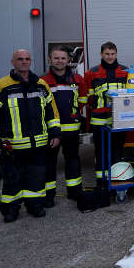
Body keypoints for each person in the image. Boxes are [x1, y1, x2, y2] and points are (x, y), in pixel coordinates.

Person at [0, 50, 61, 222]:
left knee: (37, 178)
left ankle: (35, 206)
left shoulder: (41, 84)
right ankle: (11, 210)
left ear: (30, 61)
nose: (24, 62)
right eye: (20, 59)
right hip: (12, 146)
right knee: (12, 181)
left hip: (38, 144)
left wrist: (55, 133)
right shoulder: (0, 86)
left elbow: (51, 111)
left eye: (27, 59)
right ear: (13, 62)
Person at [41, 45, 88, 206]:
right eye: (56, 58)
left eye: (63, 58)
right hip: (50, 132)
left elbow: (82, 101)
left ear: (68, 60)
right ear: (50, 59)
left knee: (73, 161)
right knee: (49, 163)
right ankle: (49, 196)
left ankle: (74, 191)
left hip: (71, 130)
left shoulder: (78, 80)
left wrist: (73, 115)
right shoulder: (42, 82)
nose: (60, 61)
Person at [84, 41, 129, 187]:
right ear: (101, 54)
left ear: (116, 54)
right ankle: (102, 182)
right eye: (107, 54)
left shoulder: (126, 71)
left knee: (117, 149)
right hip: (99, 120)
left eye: (112, 54)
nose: (110, 57)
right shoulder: (92, 73)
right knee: (101, 151)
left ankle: (116, 178)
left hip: (119, 120)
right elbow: (89, 97)